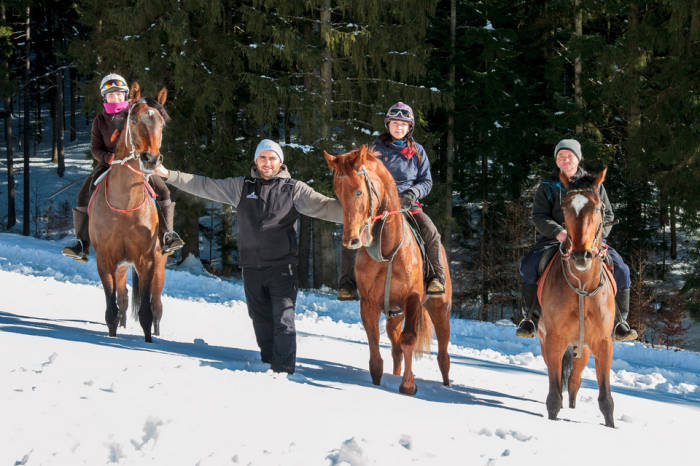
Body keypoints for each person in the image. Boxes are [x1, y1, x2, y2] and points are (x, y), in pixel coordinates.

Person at [155, 139, 343, 374]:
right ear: (256, 160)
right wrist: (167, 174)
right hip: (252, 267)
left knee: (284, 319)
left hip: (283, 268)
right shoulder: (242, 187)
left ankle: (284, 369)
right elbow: (204, 185)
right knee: (260, 319)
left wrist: (362, 213)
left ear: (280, 162)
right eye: (262, 158)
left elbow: (325, 206)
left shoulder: (294, 189)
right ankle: (268, 364)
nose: (267, 163)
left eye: (272, 158)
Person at [515, 138, 638, 341]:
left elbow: (607, 216)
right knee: (529, 265)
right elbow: (539, 216)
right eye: (560, 156)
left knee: (622, 270)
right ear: (556, 160)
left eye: (569, 156)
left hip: (591, 241)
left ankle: (619, 322)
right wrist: (560, 233)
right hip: (555, 239)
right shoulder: (547, 186)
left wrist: (596, 242)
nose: (565, 159)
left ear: (578, 159)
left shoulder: (594, 184)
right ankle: (530, 318)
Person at [62, 73, 183, 262]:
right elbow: (95, 148)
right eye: (110, 95)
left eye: (119, 94)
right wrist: (107, 158)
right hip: (109, 165)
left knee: (163, 191)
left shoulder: (135, 114)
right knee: (84, 194)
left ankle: (168, 234)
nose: (115, 98)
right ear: (104, 98)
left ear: (125, 95)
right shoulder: (100, 121)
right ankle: (81, 243)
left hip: (137, 164)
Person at [337, 101, 446, 300]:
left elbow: (426, 181)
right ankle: (347, 284)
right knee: (352, 232)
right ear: (388, 125)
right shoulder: (373, 149)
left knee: (431, 232)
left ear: (409, 127)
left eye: (403, 124)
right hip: (378, 207)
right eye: (395, 123)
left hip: (407, 204)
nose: (399, 127)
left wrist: (413, 193)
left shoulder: (418, 151)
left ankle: (435, 278)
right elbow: (362, 177)